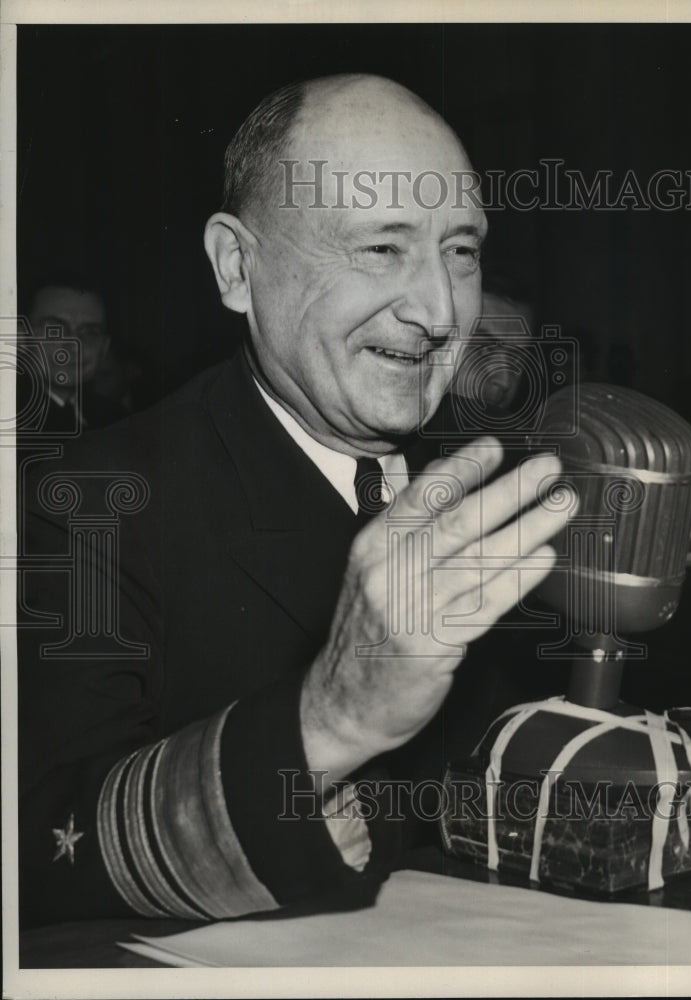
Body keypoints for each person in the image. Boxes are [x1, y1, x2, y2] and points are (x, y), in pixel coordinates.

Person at [18, 74, 572, 928]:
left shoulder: (490, 485)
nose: (438, 311)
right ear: (238, 268)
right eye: (381, 248)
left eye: (461, 251)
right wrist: (328, 722)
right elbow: (37, 850)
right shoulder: (93, 505)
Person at [17, 274, 129, 436]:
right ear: (21, 337)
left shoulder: (120, 422)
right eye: (55, 330)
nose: (74, 346)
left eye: (90, 332)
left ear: (104, 348)